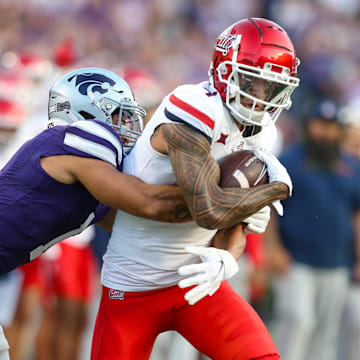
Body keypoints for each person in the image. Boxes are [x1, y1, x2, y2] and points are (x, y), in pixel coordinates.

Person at [92, 18, 300, 360]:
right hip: (133, 285)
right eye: (253, 81)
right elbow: (210, 210)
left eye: (272, 88)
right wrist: (276, 187)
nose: (261, 98)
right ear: (224, 70)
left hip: (196, 283)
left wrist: (226, 257)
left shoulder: (261, 133)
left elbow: (234, 223)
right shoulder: (193, 104)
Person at [0, 66, 193, 276]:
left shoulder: (95, 175)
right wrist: (214, 192)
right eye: (120, 114)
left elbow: (135, 225)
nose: (129, 125)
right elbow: (149, 202)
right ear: (88, 112)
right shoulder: (77, 140)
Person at [265, 97, 360, 360]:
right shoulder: (289, 161)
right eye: (319, 124)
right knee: (298, 321)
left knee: (326, 331)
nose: (324, 131)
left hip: (337, 261)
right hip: (296, 259)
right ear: (309, 126)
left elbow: (357, 215)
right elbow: (270, 208)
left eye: (330, 126)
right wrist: (273, 249)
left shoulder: (352, 166)